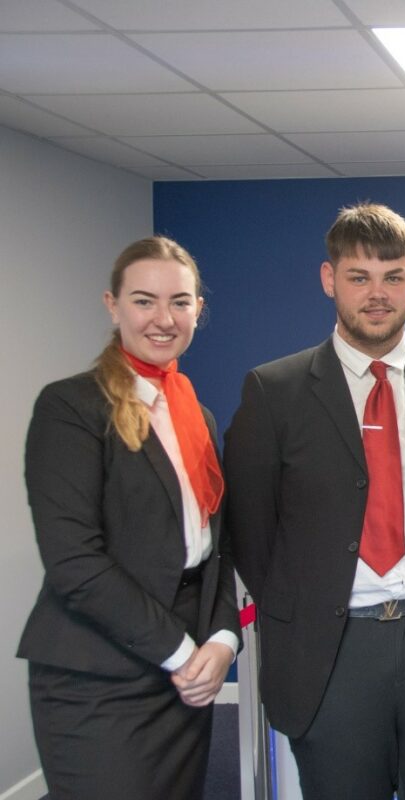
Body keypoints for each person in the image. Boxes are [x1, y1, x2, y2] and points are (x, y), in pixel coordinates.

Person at [223, 203, 405, 800]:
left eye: (393, 276)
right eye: (359, 277)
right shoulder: (275, 390)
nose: (378, 294)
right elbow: (251, 532)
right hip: (331, 651)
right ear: (329, 280)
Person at [18, 236, 239, 799]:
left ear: (198, 310)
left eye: (181, 302)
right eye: (144, 301)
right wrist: (184, 652)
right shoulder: (70, 407)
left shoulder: (197, 412)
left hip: (183, 678)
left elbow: (214, 544)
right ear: (112, 305)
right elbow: (74, 563)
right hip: (99, 680)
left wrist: (222, 638)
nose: (164, 319)